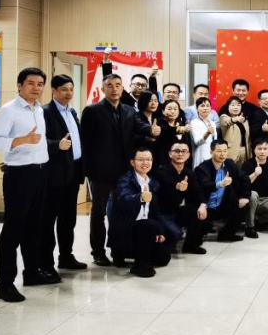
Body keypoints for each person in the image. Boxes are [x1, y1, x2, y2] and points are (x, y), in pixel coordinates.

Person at [0, 68, 53, 303]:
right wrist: (22, 140)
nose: (36, 88)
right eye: (31, 83)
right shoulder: (8, 110)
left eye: (40, 84)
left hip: (40, 172)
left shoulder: (39, 109)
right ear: (19, 85)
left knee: (34, 227)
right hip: (20, 175)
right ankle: (5, 284)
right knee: (13, 229)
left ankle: (32, 272)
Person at [81, 73, 137, 267]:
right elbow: (85, 143)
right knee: (99, 212)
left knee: (120, 212)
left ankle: (118, 250)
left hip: (123, 171)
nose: (114, 89)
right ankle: (98, 252)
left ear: (123, 88)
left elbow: (135, 135)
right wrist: (87, 171)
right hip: (100, 172)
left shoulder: (129, 111)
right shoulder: (92, 110)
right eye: (110, 85)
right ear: (103, 89)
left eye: (118, 85)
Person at [41, 74, 86, 275]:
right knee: (48, 220)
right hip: (54, 175)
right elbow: (39, 140)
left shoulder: (72, 111)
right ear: (54, 91)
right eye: (64, 89)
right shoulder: (45, 112)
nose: (68, 93)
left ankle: (66, 257)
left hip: (72, 172)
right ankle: (46, 264)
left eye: (71, 89)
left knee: (68, 219)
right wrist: (56, 145)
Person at [108, 148, 175, 278]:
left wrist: (160, 231)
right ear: (132, 162)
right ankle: (138, 265)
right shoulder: (125, 180)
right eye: (141, 159)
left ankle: (136, 253)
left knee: (164, 258)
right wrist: (140, 197)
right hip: (127, 229)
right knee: (148, 225)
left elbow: (155, 212)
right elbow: (123, 200)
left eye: (148, 159)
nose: (145, 163)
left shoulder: (152, 182)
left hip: (145, 231)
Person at [188, 140, 248, 250]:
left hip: (222, 205)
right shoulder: (202, 168)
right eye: (219, 151)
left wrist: (244, 196)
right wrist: (221, 184)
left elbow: (244, 177)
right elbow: (204, 186)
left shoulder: (229, 164)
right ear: (211, 152)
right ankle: (191, 244)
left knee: (243, 205)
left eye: (225, 151)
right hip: (205, 206)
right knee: (197, 237)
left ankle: (226, 234)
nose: (223, 154)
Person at [240, 137, 268, 236]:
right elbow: (243, 184)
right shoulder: (247, 164)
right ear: (254, 150)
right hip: (250, 199)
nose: (262, 151)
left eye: (265, 149)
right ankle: (250, 227)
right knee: (253, 194)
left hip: (266, 200)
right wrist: (255, 174)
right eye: (259, 148)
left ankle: (256, 220)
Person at [152, 140, 192, 242]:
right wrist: (178, 186)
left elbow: (197, 191)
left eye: (183, 151)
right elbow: (168, 182)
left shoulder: (189, 173)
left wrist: (202, 205)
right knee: (176, 234)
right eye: (177, 151)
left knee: (200, 214)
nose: (180, 154)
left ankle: (190, 245)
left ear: (188, 155)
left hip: (177, 211)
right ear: (170, 154)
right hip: (162, 213)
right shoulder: (161, 172)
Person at [154, 99, 190, 168]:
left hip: (181, 161)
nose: (173, 111)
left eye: (175, 109)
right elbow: (167, 131)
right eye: (169, 109)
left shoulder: (181, 124)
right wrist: (182, 129)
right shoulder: (160, 123)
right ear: (163, 111)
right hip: (164, 161)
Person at [220, 96, 251, 166]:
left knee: (243, 171)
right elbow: (228, 122)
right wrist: (235, 119)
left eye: (238, 105)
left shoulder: (244, 120)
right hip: (231, 152)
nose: (236, 107)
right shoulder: (224, 117)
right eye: (233, 105)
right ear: (228, 107)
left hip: (245, 152)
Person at [189, 97, 217, 169]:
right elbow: (197, 142)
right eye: (202, 106)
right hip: (200, 156)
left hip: (213, 156)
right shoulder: (194, 123)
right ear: (197, 108)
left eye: (207, 106)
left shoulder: (213, 123)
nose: (205, 108)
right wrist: (207, 133)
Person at [251, 89, 268, 158]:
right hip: (263, 151)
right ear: (259, 101)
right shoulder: (256, 113)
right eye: (264, 99)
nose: (267, 101)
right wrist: (262, 128)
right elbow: (251, 131)